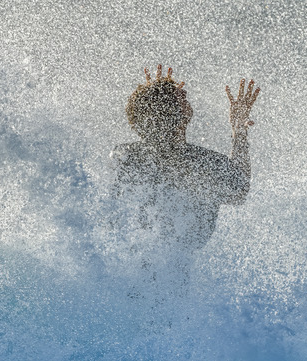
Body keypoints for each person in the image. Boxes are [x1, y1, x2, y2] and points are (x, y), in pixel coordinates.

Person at [109, 65, 260, 253]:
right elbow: (240, 189)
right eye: (178, 96)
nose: (184, 91)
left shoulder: (127, 155)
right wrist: (239, 131)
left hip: (136, 262)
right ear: (169, 111)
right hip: (173, 268)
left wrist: (155, 95)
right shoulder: (200, 163)